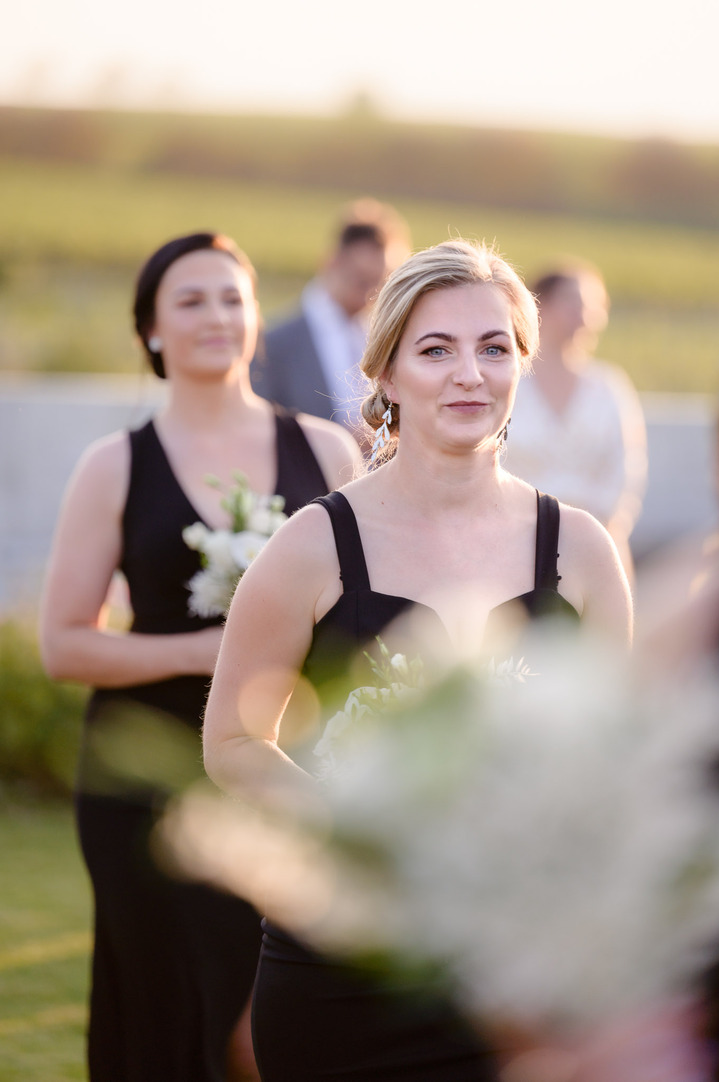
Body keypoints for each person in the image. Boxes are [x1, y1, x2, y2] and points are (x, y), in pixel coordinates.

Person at [203, 239, 632, 1080]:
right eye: (436, 350)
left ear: (520, 367)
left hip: (516, 977)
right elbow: (231, 742)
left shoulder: (580, 551)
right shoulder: (313, 544)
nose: (469, 373)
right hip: (341, 970)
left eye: (494, 347)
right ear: (387, 375)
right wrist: (362, 826)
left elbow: (615, 756)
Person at [38, 232, 361, 1082]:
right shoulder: (114, 466)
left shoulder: (329, 452)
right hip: (141, 777)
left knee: (262, 1001)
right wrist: (210, 645)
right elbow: (63, 644)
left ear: (257, 318)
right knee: (159, 996)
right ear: (149, 330)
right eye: (191, 300)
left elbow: (360, 614)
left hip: (279, 768)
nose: (218, 315)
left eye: (233, 297)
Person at [502, 261, 647, 578]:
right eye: (572, 302)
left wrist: (600, 533)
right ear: (538, 306)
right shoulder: (508, 382)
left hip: (598, 545)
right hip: (513, 544)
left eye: (594, 306)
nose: (584, 315)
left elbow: (626, 469)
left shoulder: (609, 386)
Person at [250, 197, 411, 431]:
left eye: (381, 282)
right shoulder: (272, 343)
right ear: (332, 262)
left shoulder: (389, 339)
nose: (371, 294)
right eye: (361, 280)